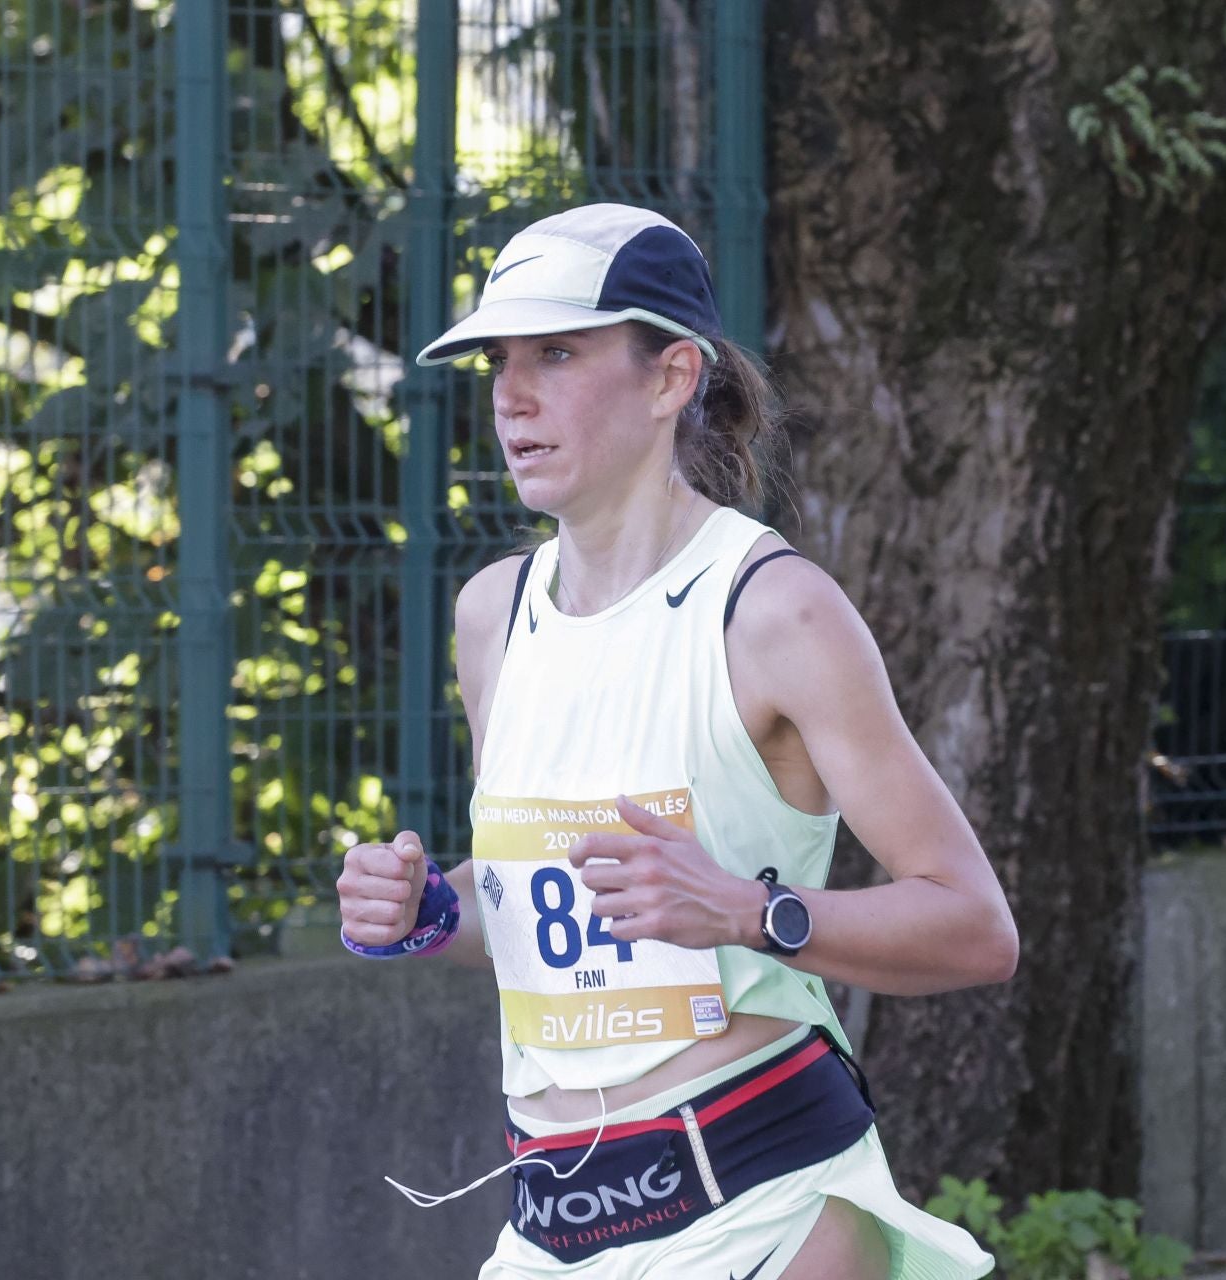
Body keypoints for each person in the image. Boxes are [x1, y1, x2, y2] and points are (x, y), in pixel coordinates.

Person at [336, 203, 1018, 1280]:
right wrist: (429, 909)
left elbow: (977, 927)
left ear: (671, 378)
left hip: (767, 1205)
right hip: (551, 1226)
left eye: (557, 353)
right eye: (499, 362)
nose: (513, 396)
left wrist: (749, 911)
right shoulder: (492, 614)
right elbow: (536, 902)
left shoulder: (775, 612)